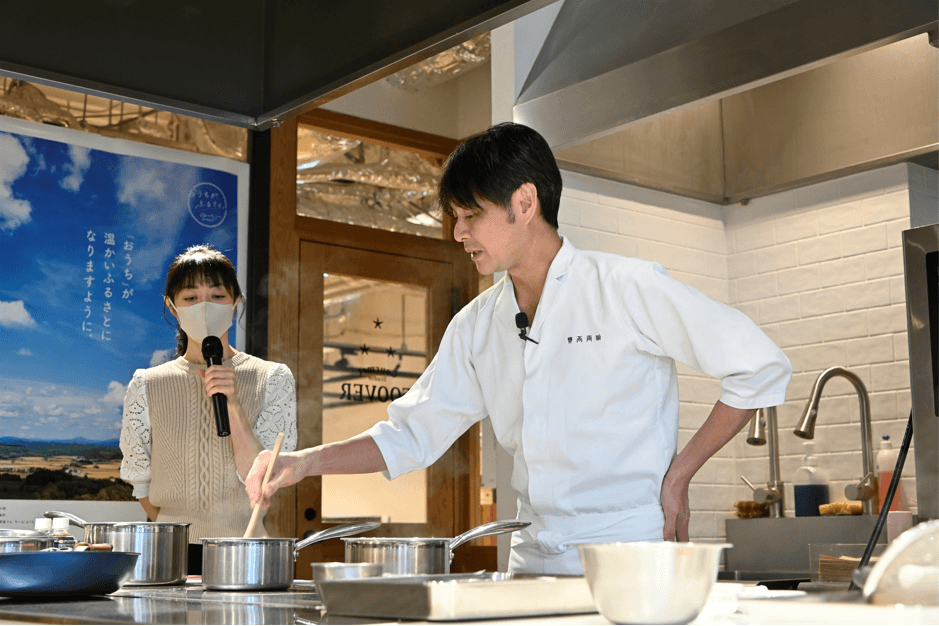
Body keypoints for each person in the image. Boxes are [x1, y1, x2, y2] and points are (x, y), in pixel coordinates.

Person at [244, 122, 792, 575]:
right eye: (454, 218)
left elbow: (759, 367)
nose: (458, 233)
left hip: (630, 556)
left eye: (470, 215)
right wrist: (302, 462)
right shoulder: (477, 325)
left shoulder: (626, 287)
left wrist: (680, 474)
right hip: (532, 559)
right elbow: (410, 435)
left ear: (524, 202)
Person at [120, 244, 297, 574]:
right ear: (172, 306)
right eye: (191, 298)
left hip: (247, 550)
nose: (204, 307)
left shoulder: (273, 378)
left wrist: (233, 404)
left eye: (217, 296)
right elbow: (140, 480)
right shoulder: (146, 383)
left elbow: (267, 476)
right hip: (170, 554)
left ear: (236, 302)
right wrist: (179, 537)